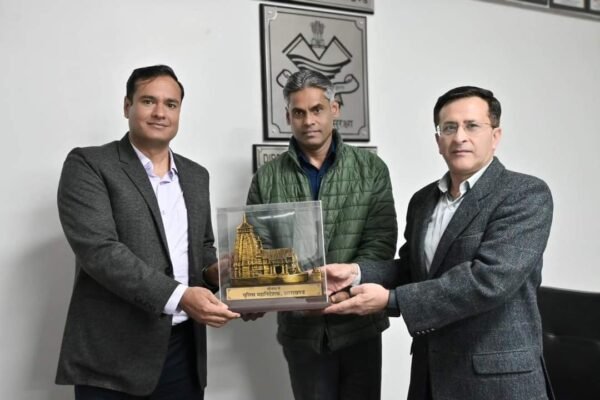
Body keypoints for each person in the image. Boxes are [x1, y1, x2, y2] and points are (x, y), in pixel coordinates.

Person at [324, 86, 554, 400]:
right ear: (438, 141)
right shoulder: (423, 201)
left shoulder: (524, 194)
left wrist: (392, 300)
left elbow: (489, 280)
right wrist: (355, 274)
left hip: (496, 382)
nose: (459, 137)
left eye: (472, 126)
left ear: (495, 136)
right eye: (449, 128)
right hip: (430, 375)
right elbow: (412, 270)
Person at [55, 65, 240, 399]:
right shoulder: (89, 164)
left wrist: (216, 271)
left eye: (171, 104)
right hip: (112, 356)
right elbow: (100, 252)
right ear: (127, 106)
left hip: (184, 353)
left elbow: (202, 248)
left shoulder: (196, 175)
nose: (160, 113)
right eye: (148, 101)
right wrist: (181, 296)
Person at [246, 69, 398, 400]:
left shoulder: (371, 169)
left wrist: (344, 294)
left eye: (317, 109)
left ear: (335, 108)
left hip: (359, 323)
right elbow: (260, 248)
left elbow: (380, 242)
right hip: (302, 331)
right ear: (288, 116)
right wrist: (296, 295)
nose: (308, 121)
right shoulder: (267, 177)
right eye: (299, 112)